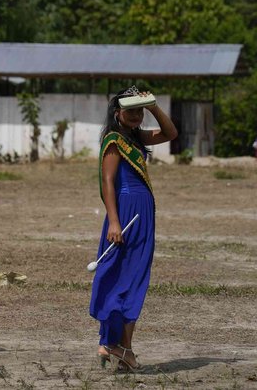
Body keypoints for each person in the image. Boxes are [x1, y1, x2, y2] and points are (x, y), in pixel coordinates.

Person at [90, 86, 177, 370]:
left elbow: (171, 133)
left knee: (132, 276)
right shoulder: (114, 141)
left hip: (142, 213)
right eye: (131, 111)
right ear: (118, 113)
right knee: (121, 275)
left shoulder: (136, 138)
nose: (136, 116)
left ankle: (118, 346)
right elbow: (107, 182)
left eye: (139, 111)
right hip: (125, 211)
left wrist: (153, 106)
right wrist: (114, 220)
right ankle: (116, 344)